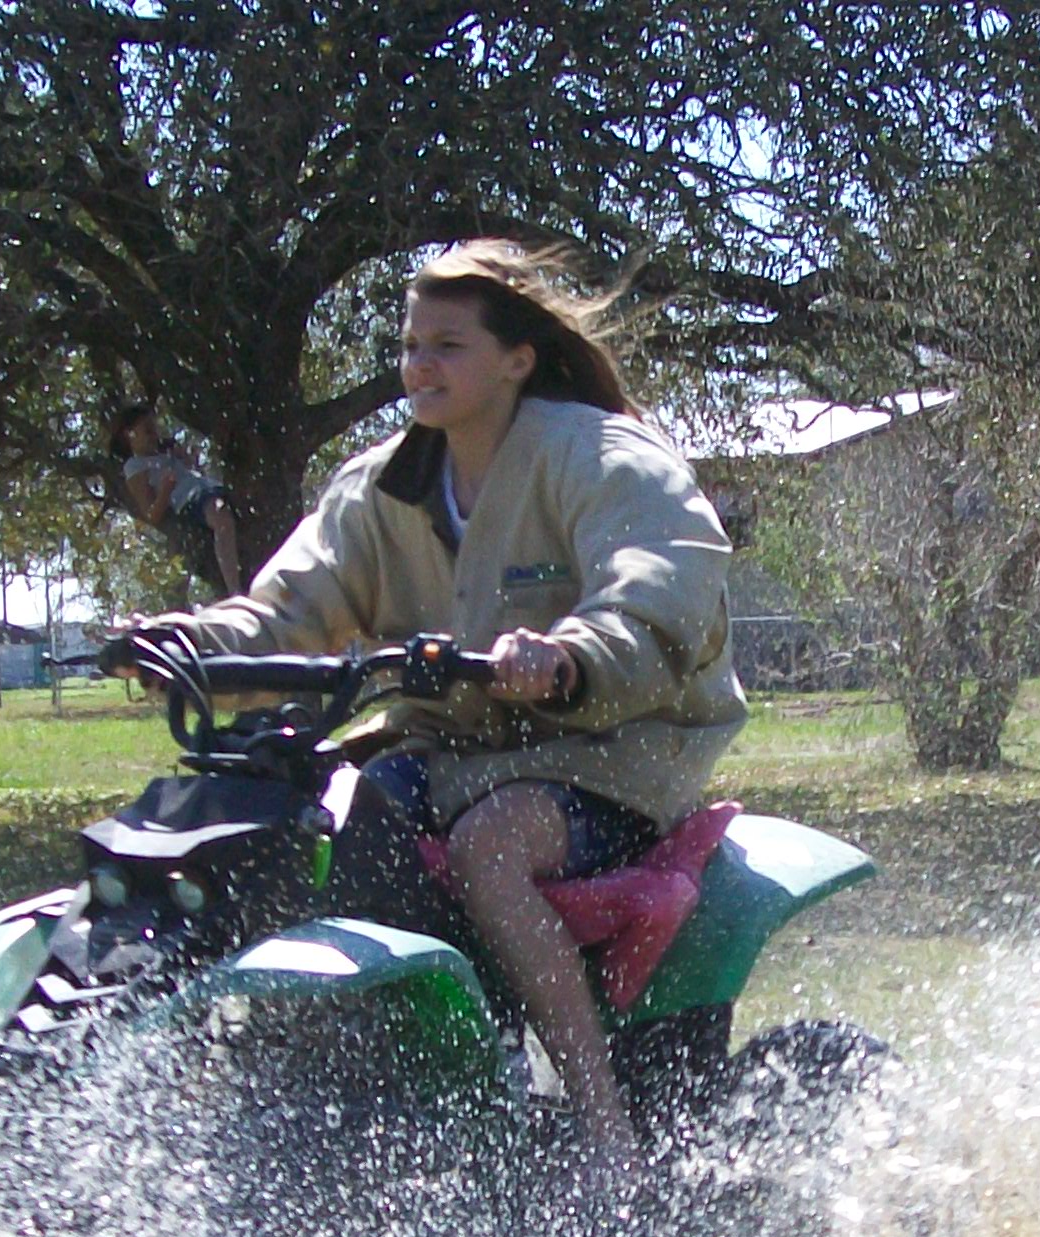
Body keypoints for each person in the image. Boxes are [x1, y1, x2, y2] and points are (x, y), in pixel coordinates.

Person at [114, 240, 746, 1174]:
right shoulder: (382, 487)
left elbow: (660, 589)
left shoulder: (603, 458)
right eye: (411, 345)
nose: (420, 365)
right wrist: (192, 647)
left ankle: (603, 1130)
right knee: (310, 827)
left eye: (448, 346)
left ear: (518, 358)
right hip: (451, 751)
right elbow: (287, 611)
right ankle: (330, 1079)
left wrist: (571, 655)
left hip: (609, 750)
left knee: (491, 846)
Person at [107, 405, 245, 595]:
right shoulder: (134, 466)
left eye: (154, 429)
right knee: (222, 520)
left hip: (208, 487)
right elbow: (151, 514)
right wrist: (165, 491)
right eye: (147, 430)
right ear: (129, 435)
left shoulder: (166, 452)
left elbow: (191, 472)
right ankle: (235, 591)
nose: (154, 435)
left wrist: (189, 460)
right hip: (189, 500)